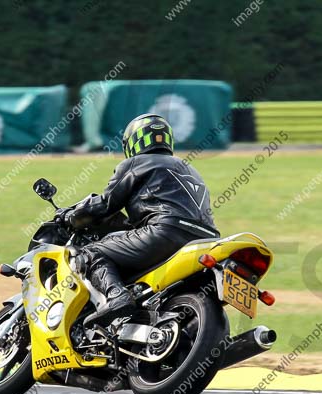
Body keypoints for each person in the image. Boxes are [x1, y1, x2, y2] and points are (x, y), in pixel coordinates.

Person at [65, 113, 219, 327]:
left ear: (133, 142)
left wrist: (72, 215)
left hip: (165, 232)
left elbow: (106, 204)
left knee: (90, 252)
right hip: (206, 239)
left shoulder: (134, 163)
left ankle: (117, 296)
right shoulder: (190, 169)